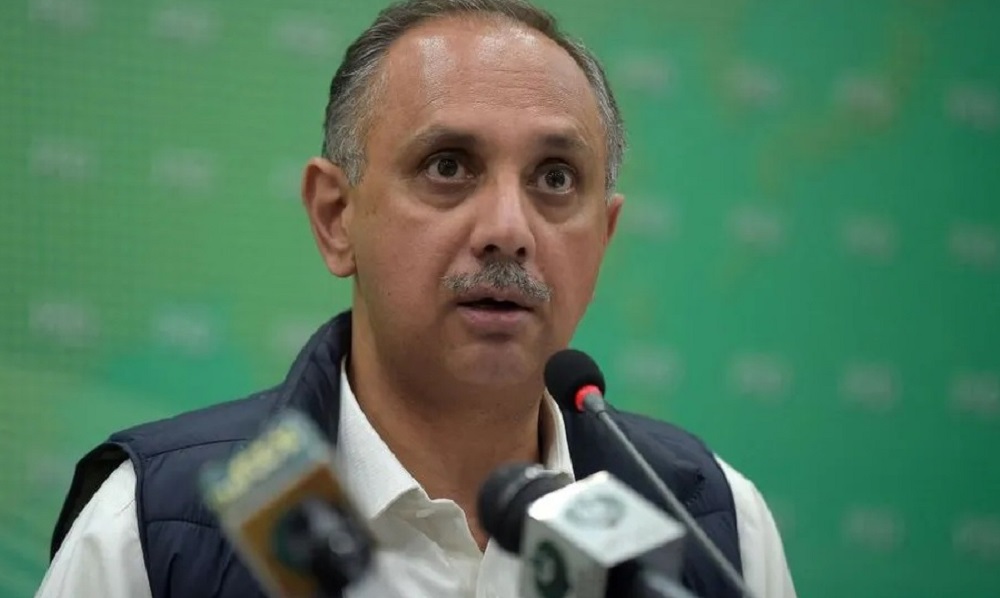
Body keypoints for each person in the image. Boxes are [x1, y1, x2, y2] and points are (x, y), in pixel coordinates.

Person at [36, 0, 796, 597]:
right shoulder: (154, 528)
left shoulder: (714, 526)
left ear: (603, 236)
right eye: (448, 166)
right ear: (336, 218)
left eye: (555, 178)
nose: (508, 230)